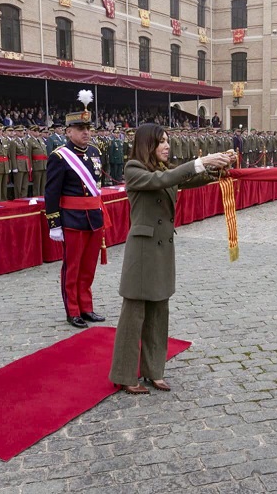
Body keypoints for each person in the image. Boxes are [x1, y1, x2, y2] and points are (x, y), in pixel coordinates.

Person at [109, 123, 232, 394]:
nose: (167, 146)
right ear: (146, 145)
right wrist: (199, 161)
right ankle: (125, 374)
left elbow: (184, 179)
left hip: (162, 249)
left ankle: (154, 371)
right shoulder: (134, 169)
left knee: (159, 313)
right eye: (161, 142)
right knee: (134, 315)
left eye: (167, 141)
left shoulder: (163, 169)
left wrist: (219, 167)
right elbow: (163, 181)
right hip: (142, 252)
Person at [44, 98, 108, 329]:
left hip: (94, 217)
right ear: (68, 131)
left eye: (88, 128)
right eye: (81, 129)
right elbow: (51, 193)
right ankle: (73, 311)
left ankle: (86, 307)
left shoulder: (94, 152)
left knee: (88, 267)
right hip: (72, 219)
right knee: (72, 268)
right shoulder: (59, 157)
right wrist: (54, 223)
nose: (86, 133)